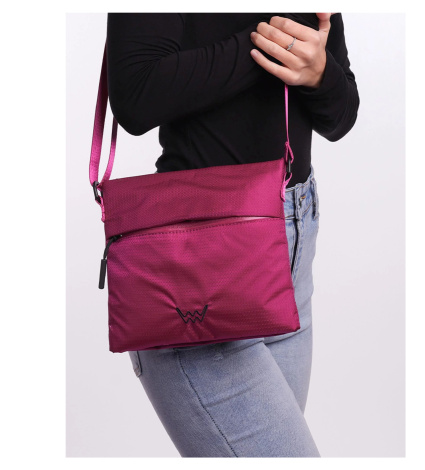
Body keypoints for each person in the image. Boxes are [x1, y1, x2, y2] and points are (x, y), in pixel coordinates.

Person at [106, 12, 359, 458]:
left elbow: (339, 117)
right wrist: (271, 41)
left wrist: (319, 72)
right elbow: (136, 96)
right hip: (198, 260)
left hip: (293, 245)